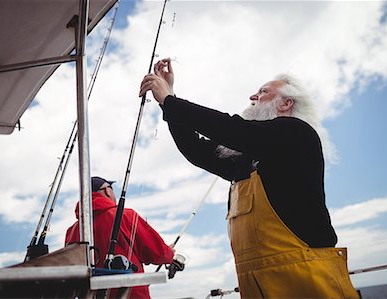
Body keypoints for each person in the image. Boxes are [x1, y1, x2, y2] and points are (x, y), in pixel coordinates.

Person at [139, 59, 359, 298]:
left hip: (307, 277)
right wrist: (169, 97)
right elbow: (196, 151)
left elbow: (235, 130)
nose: (253, 97)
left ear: (286, 103)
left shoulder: (297, 133)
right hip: (257, 284)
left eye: (263, 92)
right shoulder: (246, 157)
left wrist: (171, 102)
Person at [65, 176, 175, 299]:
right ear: (107, 190)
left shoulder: (71, 232)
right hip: (130, 295)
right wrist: (170, 254)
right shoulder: (126, 215)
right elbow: (157, 253)